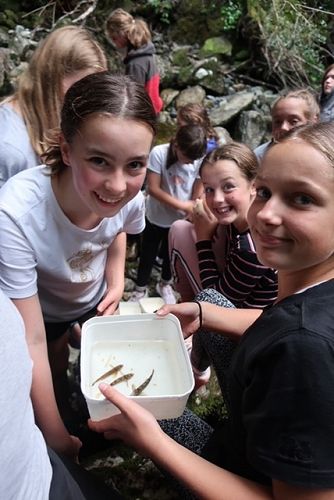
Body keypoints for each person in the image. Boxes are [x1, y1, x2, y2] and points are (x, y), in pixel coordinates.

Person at [90, 121, 334, 499]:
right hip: (257, 432)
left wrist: (152, 443)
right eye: (266, 192)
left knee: (150, 419)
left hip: (251, 479)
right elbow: (274, 320)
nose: (268, 214)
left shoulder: (303, 351)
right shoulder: (313, 300)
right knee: (212, 303)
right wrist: (206, 314)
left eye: (302, 199)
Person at [0, 72, 156, 457]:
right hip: (44, 310)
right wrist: (52, 434)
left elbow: (120, 230)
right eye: (99, 161)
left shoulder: (132, 198)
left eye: (135, 164)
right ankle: (63, 405)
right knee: (52, 362)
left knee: (94, 359)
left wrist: (116, 280)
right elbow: (29, 337)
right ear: (66, 150)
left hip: (93, 298)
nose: (118, 186)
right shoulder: (17, 213)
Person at [169, 143, 277, 390]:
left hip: (246, 329)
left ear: (254, 185)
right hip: (234, 298)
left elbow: (215, 301)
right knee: (183, 229)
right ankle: (187, 324)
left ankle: (198, 366)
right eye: (209, 189)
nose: (217, 199)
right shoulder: (238, 220)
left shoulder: (253, 246)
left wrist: (204, 239)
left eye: (228, 186)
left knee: (180, 232)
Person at [0, 288, 122, 499]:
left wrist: (116, 285)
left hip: (40, 461)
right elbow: (35, 341)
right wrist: (58, 438)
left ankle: (71, 412)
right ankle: (67, 412)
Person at [0, 25, 108, 188]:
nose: (85, 102)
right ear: (48, 82)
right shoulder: (10, 147)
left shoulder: (50, 118)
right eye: (78, 90)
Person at [129, 125, 207, 304]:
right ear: (177, 145)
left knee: (171, 256)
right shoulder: (159, 153)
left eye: (193, 159)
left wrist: (194, 205)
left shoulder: (199, 158)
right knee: (148, 254)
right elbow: (153, 188)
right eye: (187, 158)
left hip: (179, 221)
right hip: (155, 216)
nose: (190, 163)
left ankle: (165, 284)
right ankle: (140, 288)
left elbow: (198, 186)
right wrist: (183, 205)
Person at [106, 7, 163, 114]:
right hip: (154, 109)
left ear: (122, 34)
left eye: (114, 38)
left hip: (146, 114)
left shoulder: (136, 64)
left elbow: (134, 99)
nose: (114, 43)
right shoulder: (146, 53)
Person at [254, 88, 319, 161]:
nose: (283, 127)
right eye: (278, 121)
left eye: (294, 121)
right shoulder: (259, 157)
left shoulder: (325, 156)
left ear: (313, 122)